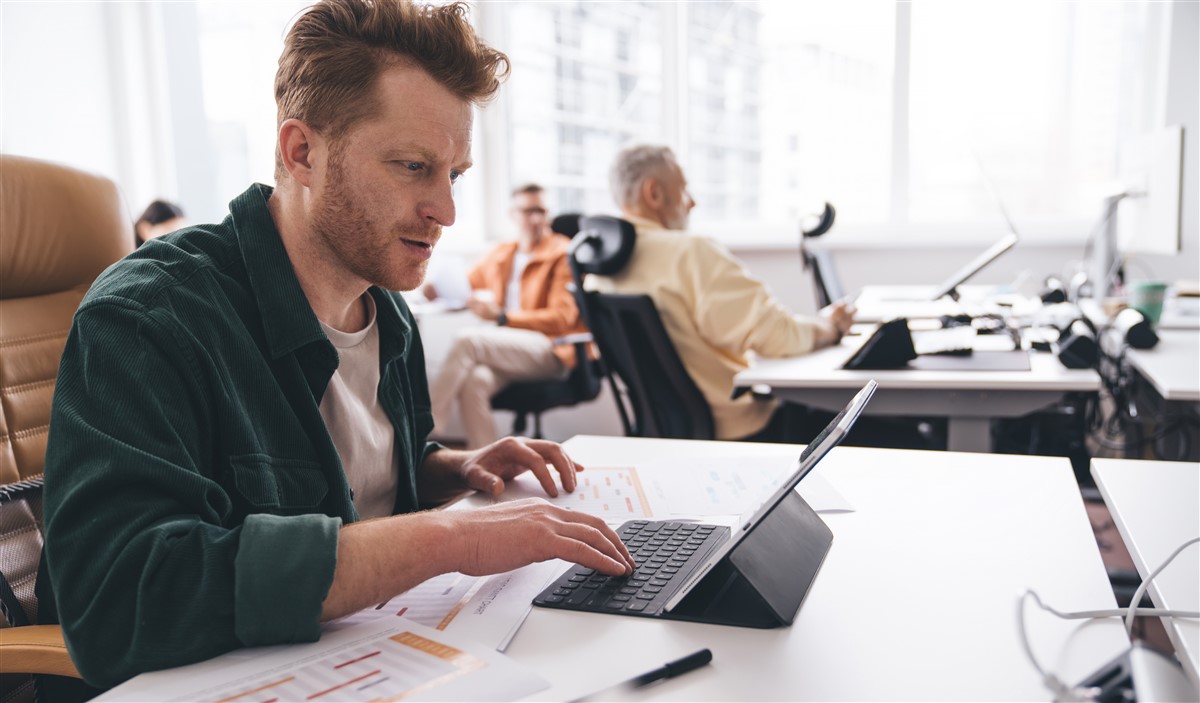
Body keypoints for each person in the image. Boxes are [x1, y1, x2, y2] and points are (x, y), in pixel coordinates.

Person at [38, 2, 633, 699]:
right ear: (302, 153)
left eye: (455, 174)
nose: (446, 210)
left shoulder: (388, 310)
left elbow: (349, 475)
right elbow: (120, 601)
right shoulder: (151, 316)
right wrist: (455, 540)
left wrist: (450, 468)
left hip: (372, 657)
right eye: (413, 166)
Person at [587, 144, 855, 443]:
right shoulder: (689, 254)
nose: (692, 203)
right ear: (654, 194)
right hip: (743, 431)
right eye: (684, 190)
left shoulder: (596, 274)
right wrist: (831, 327)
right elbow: (779, 336)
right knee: (891, 431)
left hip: (665, 435)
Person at [428, 183, 589, 448]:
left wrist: (504, 317)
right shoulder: (503, 254)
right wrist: (436, 289)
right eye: (528, 211)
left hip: (550, 348)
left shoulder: (561, 253)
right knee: (476, 381)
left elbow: (563, 317)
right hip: (511, 348)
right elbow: (466, 284)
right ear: (513, 214)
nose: (536, 218)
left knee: (468, 340)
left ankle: (427, 427)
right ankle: (486, 463)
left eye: (541, 211)